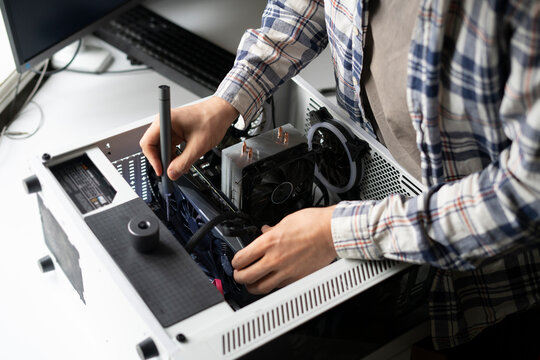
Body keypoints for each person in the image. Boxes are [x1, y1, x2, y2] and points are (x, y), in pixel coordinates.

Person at [140, 0, 540, 354]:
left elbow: (527, 195)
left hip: (489, 289)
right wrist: (227, 99)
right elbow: (304, 5)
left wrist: (335, 233)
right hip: (371, 222)